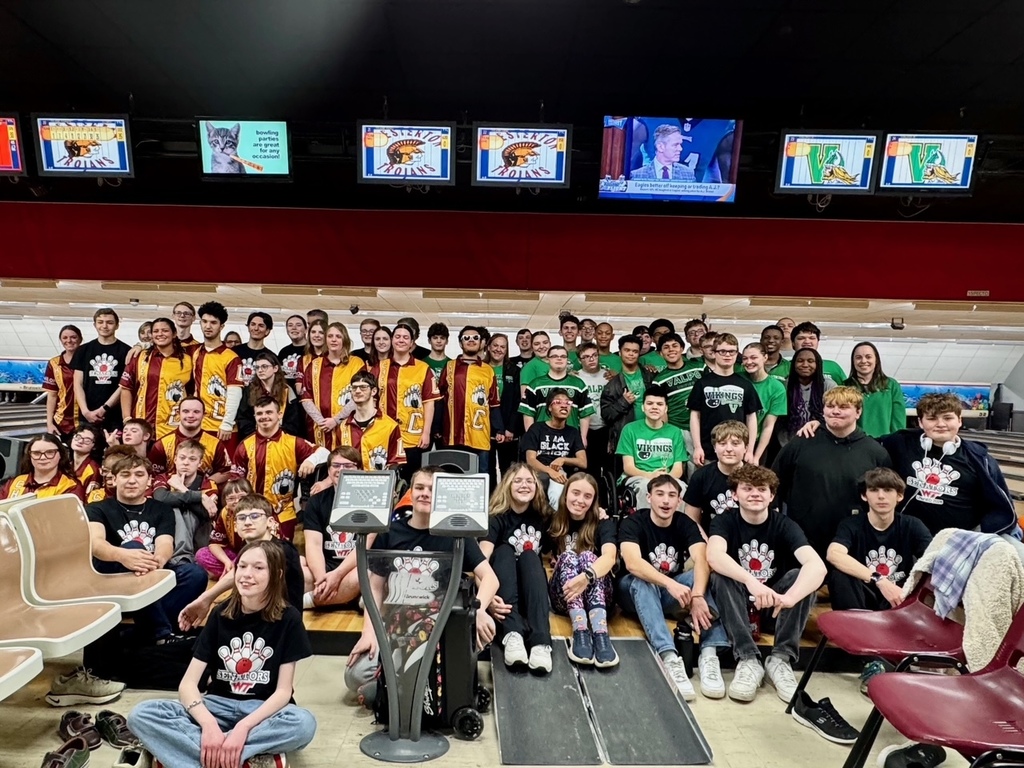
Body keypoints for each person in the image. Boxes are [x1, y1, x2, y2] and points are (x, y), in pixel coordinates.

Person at [128, 540, 317, 768]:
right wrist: (208, 725)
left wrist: (242, 728)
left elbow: (283, 692)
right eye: (242, 566)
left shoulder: (289, 618)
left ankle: (199, 755)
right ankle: (244, 758)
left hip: (261, 710)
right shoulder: (220, 614)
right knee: (141, 714)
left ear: (276, 575)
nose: (247, 574)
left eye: (258, 567)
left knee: (303, 723)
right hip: (216, 705)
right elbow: (188, 684)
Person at [345, 466, 500, 695]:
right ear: (411, 492)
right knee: (355, 675)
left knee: (482, 629)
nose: (425, 493)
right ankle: (405, 685)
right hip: (398, 624)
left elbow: (490, 578)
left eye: (432, 489)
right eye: (419, 488)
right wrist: (369, 632)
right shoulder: (390, 532)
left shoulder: (457, 535)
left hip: (441, 625)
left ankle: (394, 688)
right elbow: (374, 588)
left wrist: (478, 611)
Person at [707, 464, 827, 703]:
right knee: (720, 576)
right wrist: (751, 581)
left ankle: (780, 659)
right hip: (739, 605)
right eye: (747, 488)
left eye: (762, 489)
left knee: (800, 576)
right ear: (735, 495)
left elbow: (818, 567)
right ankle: (748, 659)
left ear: (772, 496)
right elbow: (714, 555)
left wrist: (790, 598)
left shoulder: (784, 524)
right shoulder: (724, 521)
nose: (755, 494)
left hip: (774, 606)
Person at [619, 475, 730, 700]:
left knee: (708, 576)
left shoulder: (684, 522)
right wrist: (670, 583)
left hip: (669, 593)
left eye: (672, 495)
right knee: (643, 581)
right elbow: (633, 563)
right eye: (660, 494)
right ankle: (669, 657)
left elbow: (702, 560)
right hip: (633, 590)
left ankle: (709, 654)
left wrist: (697, 595)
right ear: (648, 497)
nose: (666, 501)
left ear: (679, 500)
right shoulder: (633, 522)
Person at [87, 455, 207, 643]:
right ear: (114, 479)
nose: (132, 480)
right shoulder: (97, 508)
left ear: (149, 480)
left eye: (139, 474)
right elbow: (96, 545)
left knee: (195, 574)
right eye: (125, 475)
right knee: (134, 546)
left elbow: (165, 544)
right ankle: (160, 633)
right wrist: (124, 556)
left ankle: (145, 632)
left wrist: (157, 561)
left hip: (150, 572)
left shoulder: (161, 509)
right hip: (111, 577)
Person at [879, 392, 1020, 537]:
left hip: (961, 540)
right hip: (908, 536)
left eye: (948, 418)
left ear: (959, 420)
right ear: (920, 422)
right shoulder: (901, 443)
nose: (941, 424)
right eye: (932, 418)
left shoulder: (979, 459)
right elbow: (868, 445)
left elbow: (1001, 506)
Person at [773, 387, 892, 556]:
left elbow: (886, 495)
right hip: (803, 539)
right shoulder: (801, 442)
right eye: (830, 406)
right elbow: (775, 480)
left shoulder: (875, 453)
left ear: (858, 412)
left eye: (843, 407)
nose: (835, 411)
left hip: (852, 542)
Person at [181, 494, 306, 626]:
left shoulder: (283, 550)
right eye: (241, 517)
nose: (247, 522)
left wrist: (208, 598)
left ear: (270, 522)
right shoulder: (247, 548)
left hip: (278, 623)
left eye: (255, 516)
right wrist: (206, 599)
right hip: (256, 615)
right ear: (235, 526)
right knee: (217, 614)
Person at [480, 464, 554, 673]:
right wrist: (487, 598)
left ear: (537, 486)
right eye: (518, 481)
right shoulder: (496, 517)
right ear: (507, 486)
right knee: (504, 551)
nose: (524, 485)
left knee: (530, 556)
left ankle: (540, 643)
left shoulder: (543, 515)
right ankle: (513, 636)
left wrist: (598, 512)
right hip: (503, 592)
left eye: (529, 481)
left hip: (532, 590)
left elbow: (574, 518)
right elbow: (481, 562)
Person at [827, 468, 932, 612]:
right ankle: (854, 623)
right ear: (864, 496)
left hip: (898, 595)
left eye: (888, 490)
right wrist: (879, 579)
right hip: (863, 595)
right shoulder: (851, 524)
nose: (881, 496)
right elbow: (834, 554)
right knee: (839, 575)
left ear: (899, 496)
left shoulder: (912, 525)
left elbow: (932, 558)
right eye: (874, 490)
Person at [231, 396, 330, 541]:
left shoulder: (293, 443)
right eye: (259, 413)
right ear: (254, 416)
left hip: (284, 513)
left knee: (282, 552)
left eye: (269, 412)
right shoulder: (244, 446)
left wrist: (311, 460)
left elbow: (326, 453)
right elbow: (235, 482)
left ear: (279, 414)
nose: (264, 416)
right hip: (252, 514)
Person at [546, 473, 619, 667]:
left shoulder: (603, 522)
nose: (580, 500)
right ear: (565, 494)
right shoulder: (553, 521)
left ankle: (601, 634)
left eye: (587, 496)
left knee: (588, 556)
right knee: (569, 556)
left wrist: (586, 577)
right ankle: (580, 632)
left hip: (598, 597)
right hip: (566, 595)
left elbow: (609, 557)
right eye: (575, 493)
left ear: (594, 501)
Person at [300, 447, 365, 609]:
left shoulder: (371, 501)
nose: (341, 469)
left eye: (348, 466)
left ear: (360, 469)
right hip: (326, 566)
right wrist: (321, 578)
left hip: (355, 566)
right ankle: (347, 596)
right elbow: (313, 545)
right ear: (329, 471)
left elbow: (364, 548)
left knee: (363, 575)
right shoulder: (316, 501)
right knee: (296, 569)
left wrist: (337, 575)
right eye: (336, 465)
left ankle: (311, 600)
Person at [373, 323, 440, 479]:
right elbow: (371, 399)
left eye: (405, 337)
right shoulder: (380, 368)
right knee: (386, 478)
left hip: (414, 435)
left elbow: (429, 402)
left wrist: (426, 433)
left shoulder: (423, 368)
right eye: (397, 336)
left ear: (412, 343)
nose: (401, 340)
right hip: (385, 433)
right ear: (392, 340)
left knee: (412, 478)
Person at [438, 326, 503, 477]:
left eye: (475, 338)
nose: (471, 340)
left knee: (481, 475)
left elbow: (493, 402)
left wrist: (499, 429)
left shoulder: (488, 370)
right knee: (453, 475)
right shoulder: (449, 367)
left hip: (480, 433)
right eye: (466, 338)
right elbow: (440, 398)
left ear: (481, 343)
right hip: (453, 433)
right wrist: (437, 427)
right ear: (460, 343)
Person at [687, 333, 760, 467]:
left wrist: (749, 450)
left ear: (737, 354)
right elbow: (695, 416)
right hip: (708, 451)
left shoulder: (745, 385)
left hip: (738, 451)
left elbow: (751, 418)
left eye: (732, 351)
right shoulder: (702, 384)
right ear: (714, 353)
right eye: (722, 351)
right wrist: (697, 447)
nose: (727, 355)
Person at [119, 317, 193, 440]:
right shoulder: (139, 357)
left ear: (174, 334)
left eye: (165, 330)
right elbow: (126, 388)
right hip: (141, 426)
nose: (160, 334)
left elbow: (193, 392)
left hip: (173, 426)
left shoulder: (187, 360)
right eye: (156, 331)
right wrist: (127, 418)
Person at [616, 385, 687, 510]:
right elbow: (628, 467)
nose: (654, 407)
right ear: (643, 407)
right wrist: (651, 475)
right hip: (638, 477)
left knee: (682, 488)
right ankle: (645, 522)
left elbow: (678, 468)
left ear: (666, 408)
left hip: (668, 477)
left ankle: (678, 522)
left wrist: (664, 479)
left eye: (659, 404)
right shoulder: (630, 429)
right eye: (650, 403)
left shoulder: (675, 432)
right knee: (646, 487)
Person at [152, 439, 220, 563]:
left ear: (200, 463)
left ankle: (185, 557)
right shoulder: (164, 478)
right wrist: (199, 497)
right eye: (182, 458)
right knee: (174, 510)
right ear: (175, 459)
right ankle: (180, 557)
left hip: (199, 532)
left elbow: (206, 513)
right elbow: (160, 498)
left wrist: (181, 489)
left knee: (187, 512)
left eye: (192, 459)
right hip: (168, 530)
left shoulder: (208, 483)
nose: (186, 463)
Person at [300, 322, 366, 450]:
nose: (334, 340)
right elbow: (306, 398)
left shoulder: (356, 364)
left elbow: (359, 396)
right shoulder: (314, 365)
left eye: (338, 336)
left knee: (346, 459)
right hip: (320, 428)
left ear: (345, 340)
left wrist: (336, 420)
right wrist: (322, 422)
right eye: (330, 336)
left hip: (348, 426)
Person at [521, 390, 588, 508]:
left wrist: (563, 459)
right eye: (558, 402)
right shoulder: (537, 428)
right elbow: (530, 460)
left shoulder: (573, 432)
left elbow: (583, 462)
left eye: (568, 403)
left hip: (562, 473)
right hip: (540, 472)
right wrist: (550, 471)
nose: (564, 405)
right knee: (549, 483)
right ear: (549, 407)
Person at [73, 308, 132, 435]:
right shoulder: (83, 350)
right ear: (94, 325)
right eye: (100, 322)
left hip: (115, 417)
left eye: (109, 322)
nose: (104, 326)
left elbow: (124, 385)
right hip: (87, 416)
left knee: (113, 448)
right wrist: (85, 411)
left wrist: (104, 408)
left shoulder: (126, 351)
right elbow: (77, 384)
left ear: (117, 325)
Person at [653, 331, 706, 474]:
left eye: (675, 345)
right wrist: (665, 432)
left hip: (704, 424)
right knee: (688, 465)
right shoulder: (659, 380)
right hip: (679, 427)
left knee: (707, 461)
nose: (671, 349)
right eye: (666, 347)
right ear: (661, 354)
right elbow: (662, 409)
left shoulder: (700, 367)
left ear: (682, 348)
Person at [683, 421, 748, 533]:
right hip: (710, 537)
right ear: (714, 447)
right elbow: (691, 519)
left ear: (746, 448)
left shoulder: (758, 478)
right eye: (722, 443)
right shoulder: (700, 477)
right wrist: (704, 541)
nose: (729, 449)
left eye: (735, 443)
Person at [148, 395, 232, 482]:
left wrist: (203, 485)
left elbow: (226, 472)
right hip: (169, 489)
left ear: (204, 415)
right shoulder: (161, 444)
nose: (191, 415)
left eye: (196, 412)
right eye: (186, 411)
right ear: (178, 413)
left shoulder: (216, 444)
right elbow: (154, 476)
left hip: (205, 490)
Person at [192, 301, 244, 441]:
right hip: (198, 424)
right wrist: (140, 345)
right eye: (204, 321)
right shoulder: (195, 352)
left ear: (221, 326)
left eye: (213, 323)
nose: (208, 326)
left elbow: (235, 393)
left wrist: (227, 423)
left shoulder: (231, 358)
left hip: (222, 427)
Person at [519, 345, 594, 439]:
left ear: (567, 360)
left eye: (563, 356)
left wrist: (583, 438)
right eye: (554, 356)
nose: (559, 359)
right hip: (542, 439)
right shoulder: (535, 385)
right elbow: (528, 414)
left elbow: (585, 414)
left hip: (570, 439)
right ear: (548, 359)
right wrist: (531, 438)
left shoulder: (578, 384)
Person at [339, 371, 405, 471]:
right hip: (349, 479)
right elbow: (336, 460)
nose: (357, 391)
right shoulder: (342, 427)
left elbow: (396, 462)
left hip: (379, 479)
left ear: (373, 391)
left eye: (363, 387)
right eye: (354, 387)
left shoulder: (390, 425)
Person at [601, 334, 654, 456]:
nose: (631, 354)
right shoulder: (612, 385)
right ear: (620, 353)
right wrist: (623, 402)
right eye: (627, 350)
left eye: (635, 351)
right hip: (626, 437)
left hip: (652, 432)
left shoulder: (650, 376)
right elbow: (606, 415)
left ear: (639, 354)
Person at [236, 351, 306, 441]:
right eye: (257, 367)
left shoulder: (287, 391)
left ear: (275, 368)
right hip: (256, 439)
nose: (260, 370)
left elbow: (294, 420)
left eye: (264, 366)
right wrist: (257, 435)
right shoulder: (249, 391)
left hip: (282, 439)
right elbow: (243, 418)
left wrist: (278, 436)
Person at [844, 342, 906, 438]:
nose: (863, 361)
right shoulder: (844, 387)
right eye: (858, 357)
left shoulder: (891, 385)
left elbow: (898, 420)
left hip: (885, 443)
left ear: (876, 360)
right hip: (854, 443)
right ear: (853, 361)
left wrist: (897, 441)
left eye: (868, 357)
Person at [195, 477, 254, 579]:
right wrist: (226, 561)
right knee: (202, 554)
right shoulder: (225, 512)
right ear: (225, 500)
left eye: (241, 497)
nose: (236, 501)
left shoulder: (257, 512)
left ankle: (231, 574)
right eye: (231, 498)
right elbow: (214, 543)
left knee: (246, 561)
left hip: (255, 553)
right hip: (235, 555)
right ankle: (232, 571)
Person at [0, 434, 85, 501]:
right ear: (29, 456)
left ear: (60, 455)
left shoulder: (71, 486)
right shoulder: (14, 482)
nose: (43, 457)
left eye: (50, 452)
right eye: (36, 453)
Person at [741, 342, 787, 464]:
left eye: (753, 357)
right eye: (745, 358)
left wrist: (756, 457)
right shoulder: (738, 379)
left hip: (757, 443)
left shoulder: (776, 388)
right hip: (733, 440)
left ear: (765, 357)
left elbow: (768, 426)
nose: (749, 362)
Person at [486, 333, 523, 486]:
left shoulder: (514, 370)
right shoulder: (480, 368)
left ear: (506, 350)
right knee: (487, 469)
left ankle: (506, 499)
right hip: (485, 429)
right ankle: (490, 498)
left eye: (502, 347)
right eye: (495, 345)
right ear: (488, 347)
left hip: (508, 430)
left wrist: (511, 428)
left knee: (507, 470)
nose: (498, 349)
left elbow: (517, 401)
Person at [782, 348, 835, 443]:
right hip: (790, 441)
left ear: (817, 364)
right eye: (800, 361)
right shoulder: (785, 386)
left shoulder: (829, 386)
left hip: (822, 441)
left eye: (810, 361)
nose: (805, 365)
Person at [576, 342, 611, 479]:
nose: (591, 359)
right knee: (587, 468)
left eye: (594, 355)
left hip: (604, 427)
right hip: (584, 429)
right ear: (579, 360)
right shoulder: (576, 378)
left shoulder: (608, 376)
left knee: (606, 468)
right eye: (586, 357)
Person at [44, 324, 83, 440]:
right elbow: (52, 395)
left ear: (80, 339)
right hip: (61, 421)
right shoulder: (54, 363)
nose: (69, 341)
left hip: (85, 420)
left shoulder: (88, 360)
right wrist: (49, 423)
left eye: (73, 337)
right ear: (60, 340)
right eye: (65, 338)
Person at [630, 124, 696, 181]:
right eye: (675, 145)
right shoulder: (637, 176)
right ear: (660, 147)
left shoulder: (688, 175)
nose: (680, 149)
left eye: (680, 144)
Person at [790, 322, 846, 386]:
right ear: (793, 343)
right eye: (801, 338)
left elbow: (846, 390)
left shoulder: (832, 367)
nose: (807, 341)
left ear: (818, 342)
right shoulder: (785, 367)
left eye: (812, 338)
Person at [233, 311, 274, 385]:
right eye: (253, 324)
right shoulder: (234, 352)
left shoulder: (271, 357)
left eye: (261, 326)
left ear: (267, 331)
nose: (256, 328)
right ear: (248, 327)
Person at [278, 314, 308, 392]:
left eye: (298, 325)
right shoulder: (283, 352)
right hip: (287, 396)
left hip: (307, 395)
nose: (294, 328)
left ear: (306, 330)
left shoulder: (312, 350)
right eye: (290, 325)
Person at [69, 426, 102, 495]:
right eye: (78, 437)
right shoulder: (67, 464)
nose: (80, 441)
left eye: (87, 440)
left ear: (94, 446)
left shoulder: (93, 470)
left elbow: (90, 497)